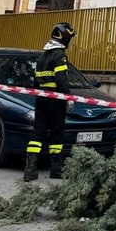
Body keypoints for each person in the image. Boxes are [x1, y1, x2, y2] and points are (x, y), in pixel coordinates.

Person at [24, 22, 77, 182]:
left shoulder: (42, 56)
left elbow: (35, 83)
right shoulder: (59, 55)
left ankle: (30, 170)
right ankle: (56, 170)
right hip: (55, 99)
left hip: (41, 98)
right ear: (65, 38)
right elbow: (62, 78)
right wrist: (68, 97)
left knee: (38, 133)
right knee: (57, 133)